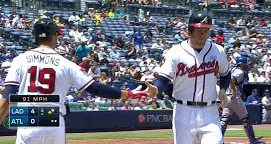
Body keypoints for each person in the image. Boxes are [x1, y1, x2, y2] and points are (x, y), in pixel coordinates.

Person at [0, 18, 158, 144]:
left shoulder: (20, 60)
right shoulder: (65, 63)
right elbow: (96, 89)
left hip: (28, 121)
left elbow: (7, 97)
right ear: (55, 35)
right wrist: (132, 94)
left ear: (34, 36)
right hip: (53, 121)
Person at [149, 11, 230, 144]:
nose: (202, 34)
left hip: (210, 111)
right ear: (189, 30)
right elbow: (163, 79)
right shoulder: (175, 52)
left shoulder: (218, 51)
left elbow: (226, 74)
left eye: (206, 30)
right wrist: (156, 89)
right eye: (198, 30)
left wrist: (222, 90)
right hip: (183, 111)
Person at [220, 57, 264, 144]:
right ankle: (253, 140)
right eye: (245, 63)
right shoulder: (239, 71)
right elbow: (232, 79)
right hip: (234, 97)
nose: (247, 65)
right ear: (241, 63)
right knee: (246, 119)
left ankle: (218, 140)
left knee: (224, 120)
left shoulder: (232, 69)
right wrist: (233, 90)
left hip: (226, 97)